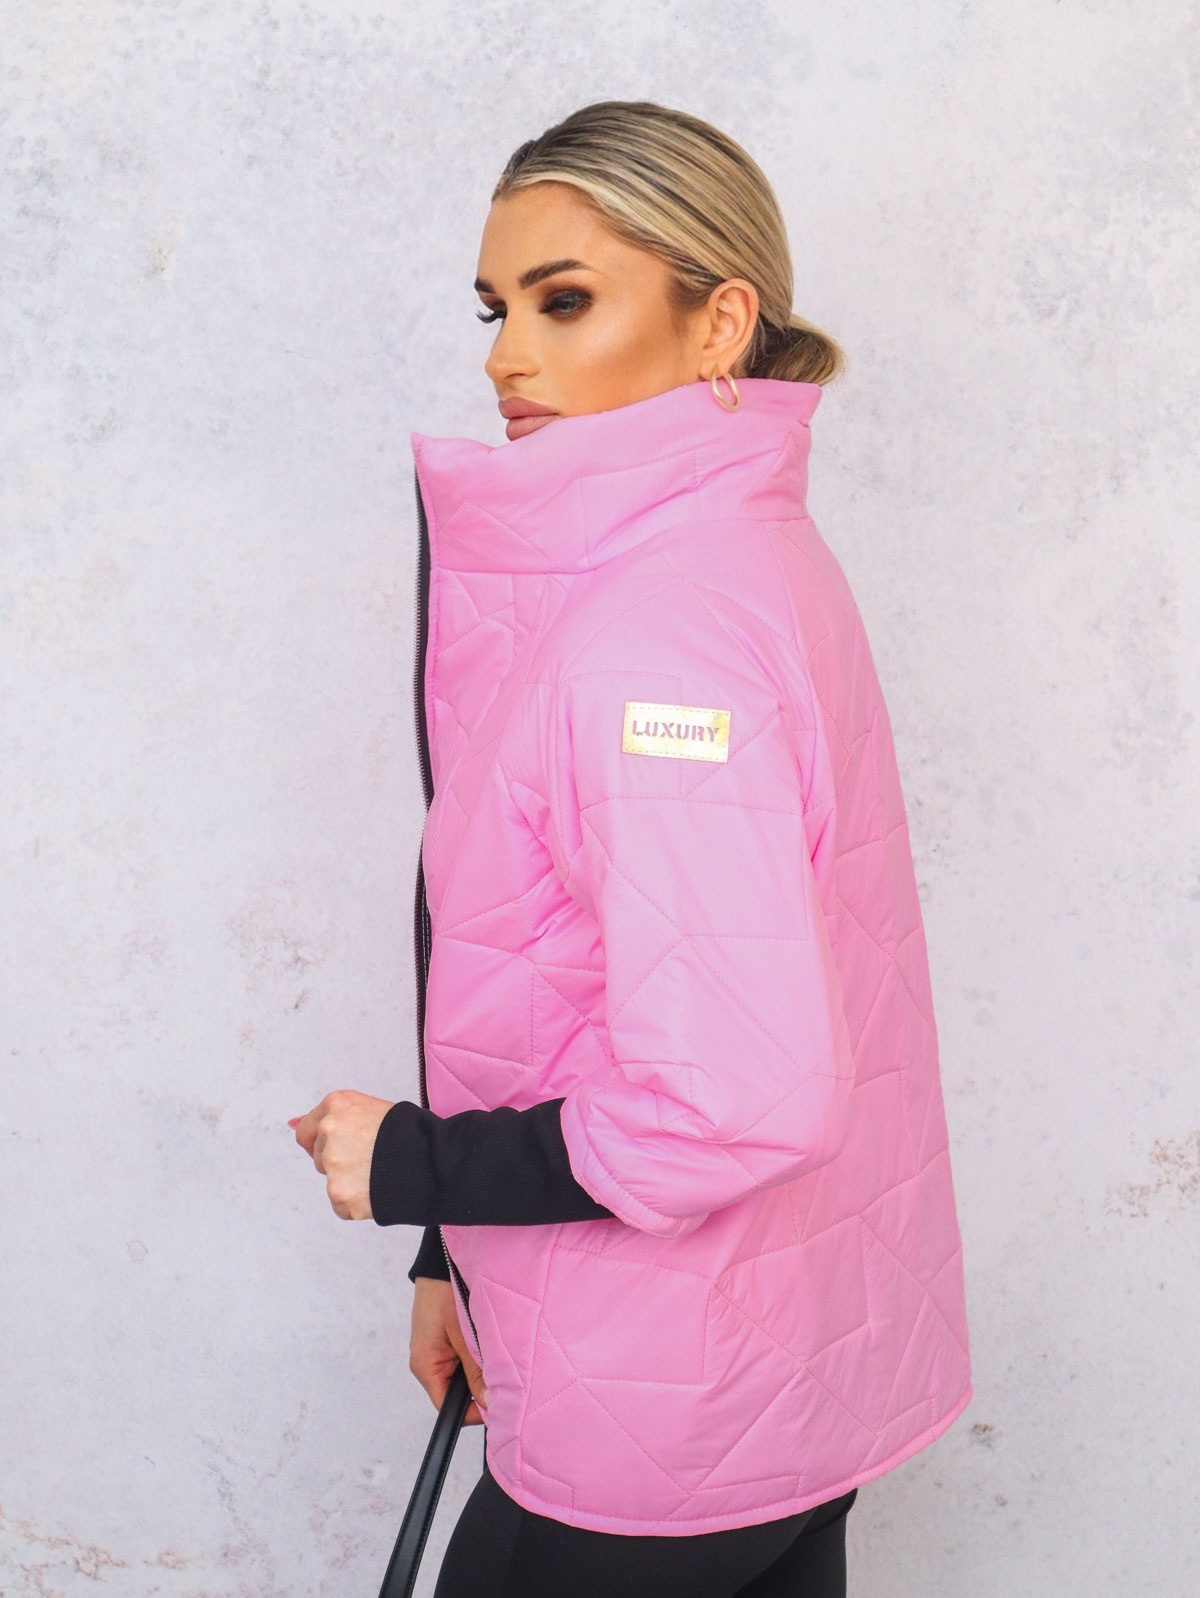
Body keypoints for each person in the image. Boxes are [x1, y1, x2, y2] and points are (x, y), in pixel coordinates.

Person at [289, 99, 972, 1596]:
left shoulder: (659, 639)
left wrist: (414, 1162)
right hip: (779, 1381)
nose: (505, 357)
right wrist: (453, 1250)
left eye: (564, 301)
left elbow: (730, 1100)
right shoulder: (750, 561)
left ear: (719, 321)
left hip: (656, 1416)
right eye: (496, 308)